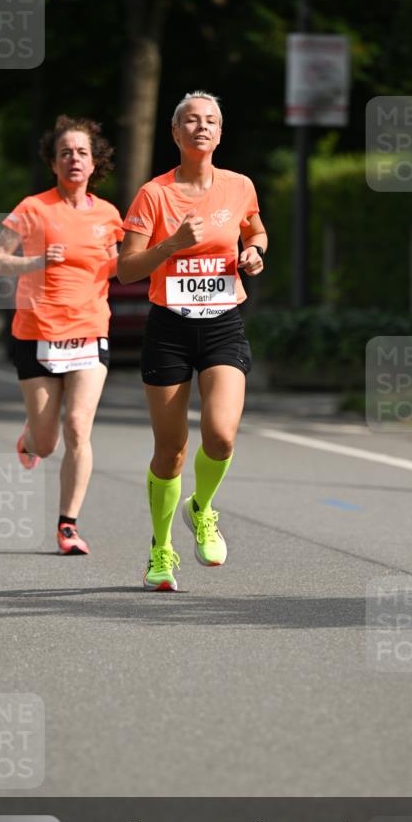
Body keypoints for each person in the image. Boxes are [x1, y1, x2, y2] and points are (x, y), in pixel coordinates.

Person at [118, 91, 267, 591]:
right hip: (170, 329)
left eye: (211, 121)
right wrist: (173, 244)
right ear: (175, 132)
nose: (201, 127)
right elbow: (126, 269)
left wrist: (255, 252)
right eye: (191, 120)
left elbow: (256, 231)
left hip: (223, 323)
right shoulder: (154, 194)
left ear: (220, 134)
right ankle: (160, 551)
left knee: (221, 436)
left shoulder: (239, 186)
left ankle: (201, 508)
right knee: (172, 449)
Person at [0, 116, 124, 555]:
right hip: (37, 331)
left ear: (94, 162)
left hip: (89, 330)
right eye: (65, 153)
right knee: (47, 443)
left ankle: (68, 525)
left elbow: (117, 266)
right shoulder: (33, 208)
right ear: (53, 162)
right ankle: (31, 438)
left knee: (78, 427)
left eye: (82, 152)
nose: (74, 159)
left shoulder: (108, 215)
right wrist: (38, 260)